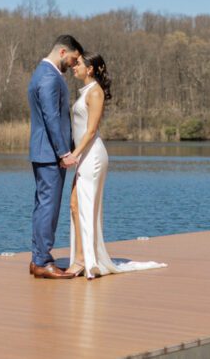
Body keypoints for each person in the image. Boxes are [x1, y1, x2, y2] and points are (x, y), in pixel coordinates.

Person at [65, 53, 165, 279]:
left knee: (84, 205)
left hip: (92, 156)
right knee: (75, 205)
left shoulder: (96, 92)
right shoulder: (85, 92)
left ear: (90, 69)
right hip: (84, 156)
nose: (74, 67)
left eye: (78, 64)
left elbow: (91, 130)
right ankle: (81, 257)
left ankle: (85, 261)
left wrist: (74, 155)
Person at [27, 35, 84, 279]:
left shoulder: (41, 73)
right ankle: (41, 260)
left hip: (43, 151)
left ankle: (38, 258)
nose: (73, 65)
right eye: (73, 59)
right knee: (48, 206)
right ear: (62, 52)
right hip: (50, 153)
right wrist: (64, 152)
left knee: (43, 205)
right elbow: (51, 118)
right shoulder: (49, 77)